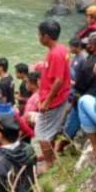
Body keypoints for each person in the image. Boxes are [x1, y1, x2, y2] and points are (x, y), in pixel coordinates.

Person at [35, 19, 71, 172]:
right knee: (50, 130)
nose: (38, 37)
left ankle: (49, 163)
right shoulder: (62, 49)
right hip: (59, 97)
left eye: (39, 35)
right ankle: (50, 156)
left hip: (54, 100)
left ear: (46, 37)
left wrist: (47, 101)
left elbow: (58, 80)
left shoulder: (55, 54)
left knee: (41, 133)